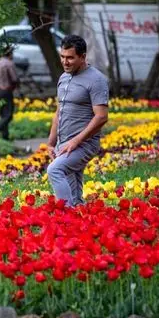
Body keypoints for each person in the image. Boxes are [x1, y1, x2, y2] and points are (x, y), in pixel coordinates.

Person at [46, 35, 109, 206]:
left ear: (82, 56)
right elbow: (59, 111)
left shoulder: (96, 80)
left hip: (84, 144)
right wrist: (51, 143)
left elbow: (102, 116)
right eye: (62, 57)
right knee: (73, 195)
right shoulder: (64, 77)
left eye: (70, 58)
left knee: (55, 169)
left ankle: (65, 215)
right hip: (64, 143)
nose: (65, 62)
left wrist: (75, 141)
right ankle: (77, 220)